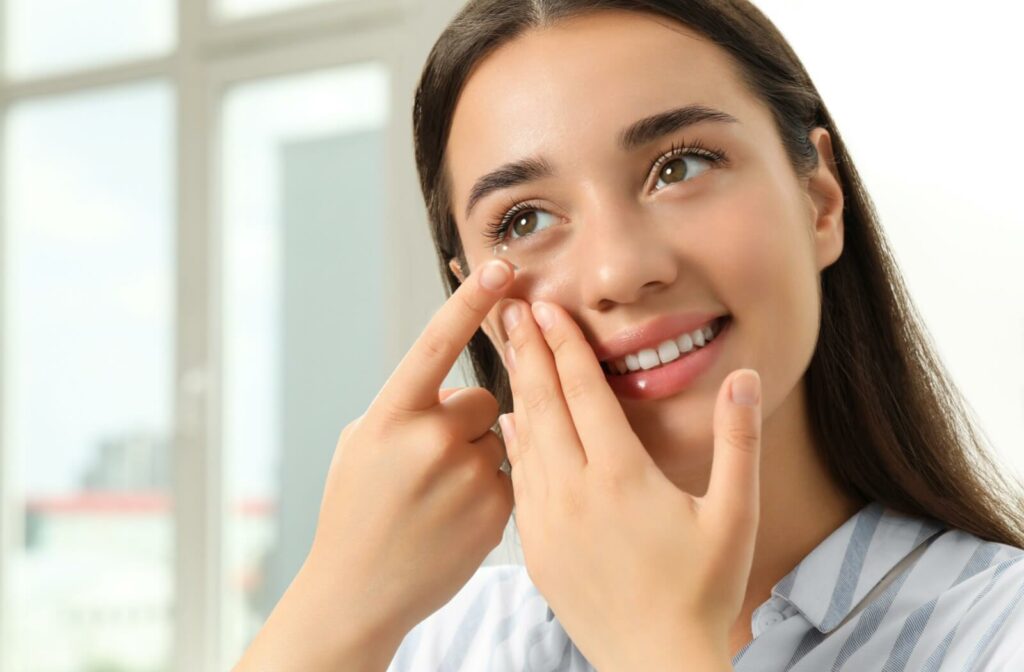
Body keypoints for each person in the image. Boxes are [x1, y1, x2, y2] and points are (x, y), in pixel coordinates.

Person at [234, 1, 1024, 670]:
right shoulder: (449, 644)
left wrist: (657, 641)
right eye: (526, 220)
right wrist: (332, 609)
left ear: (818, 198)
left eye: (679, 166)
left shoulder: (998, 634)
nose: (616, 270)